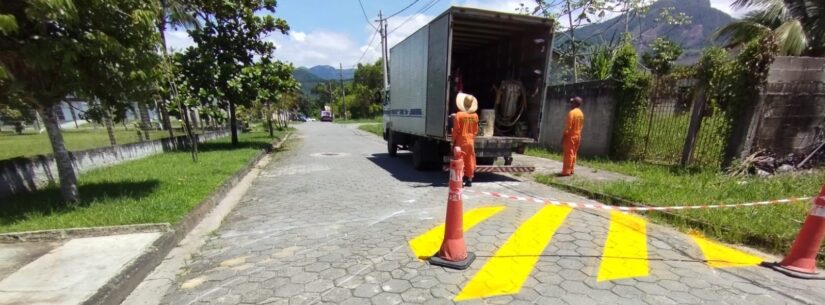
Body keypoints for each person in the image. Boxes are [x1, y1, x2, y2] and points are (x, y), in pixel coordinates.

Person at [452, 93, 479, 187]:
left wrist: (453, 140)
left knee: (460, 160)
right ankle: (470, 179)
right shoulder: (475, 116)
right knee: (470, 159)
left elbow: (456, 130)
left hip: (461, 141)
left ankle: (460, 179)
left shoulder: (459, 115)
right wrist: (471, 137)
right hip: (470, 141)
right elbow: (476, 130)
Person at [561, 96, 584, 176]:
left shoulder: (572, 113)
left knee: (568, 154)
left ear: (575, 103)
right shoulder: (581, 114)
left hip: (570, 136)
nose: (570, 104)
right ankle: (571, 170)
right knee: (574, 153)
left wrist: (563, 137)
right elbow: (581, 126)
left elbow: (568, 127)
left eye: (572, 102)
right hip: (578, 136)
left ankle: (566, 171)